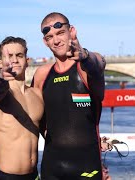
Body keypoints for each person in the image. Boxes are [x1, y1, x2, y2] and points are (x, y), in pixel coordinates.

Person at [31, 12, 107, 179]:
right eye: (50, 37)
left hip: (87, 166)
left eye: (60, 33)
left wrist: (85, 56)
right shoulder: (42, 75)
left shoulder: (87, 67)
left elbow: (98, 63)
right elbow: (31, 117)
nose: (56, 40)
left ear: (72, 32)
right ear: (45, 42)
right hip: (52, 166)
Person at [0, 36, 44, 179]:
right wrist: (1, 76)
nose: (14, 60)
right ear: (0, 62)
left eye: (19, 55)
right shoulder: (1, 94)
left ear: (27, 60)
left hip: (34, 174)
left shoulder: (37, 94)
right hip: (8, 175)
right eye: (9, 56)